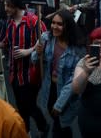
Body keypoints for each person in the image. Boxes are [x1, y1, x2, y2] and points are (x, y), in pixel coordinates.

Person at [0, 0, 48, 135]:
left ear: (16, 5)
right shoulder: (9, 22)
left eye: (8, 6)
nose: (6, 9)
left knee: (30, 105)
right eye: (5, 5)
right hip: (14, 73)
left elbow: (45, 39)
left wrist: (28, 51)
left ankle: (44, 127)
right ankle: (25, 132)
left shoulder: (33, 20)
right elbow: (2, 42)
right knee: (21, 107)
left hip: (30, 72)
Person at [32, 10, 86, 138]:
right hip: (50, 88)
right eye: (53, 23)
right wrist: (37, 53)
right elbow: (34, 60)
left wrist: (60, 104)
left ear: (68, 26)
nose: (54, 27)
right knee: (58, 122)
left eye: (59, 24)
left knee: (62, 124)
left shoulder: (78, 49)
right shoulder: (46, 38)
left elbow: (74, 79)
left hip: (67, 93)